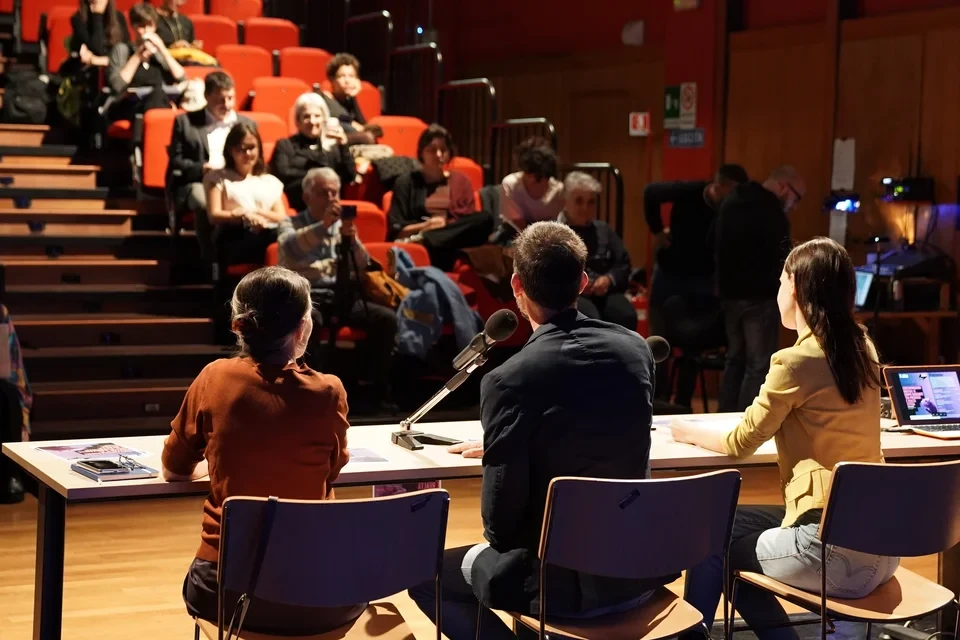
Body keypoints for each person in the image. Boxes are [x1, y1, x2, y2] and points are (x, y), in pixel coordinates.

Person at [409, 221, 673, 640]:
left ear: (516, 285)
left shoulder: (507, 379)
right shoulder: (636, 351)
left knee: (424, 572)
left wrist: (511, 446)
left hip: (556, 584)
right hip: (637, 570)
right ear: (583, 281)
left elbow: (500, 526)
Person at [670, 237, 898, 640]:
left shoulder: (794, 361)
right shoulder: (864, 346)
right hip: (883, 544)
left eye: (779, 283)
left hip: (830, 550)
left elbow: (741, 442)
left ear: (794, 287)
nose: (776, 294)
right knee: (720, 522)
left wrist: (685, 427)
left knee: (712, 543)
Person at [161, 266, 366, 635]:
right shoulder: (330, 391)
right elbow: (329, 472)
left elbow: (174, 467)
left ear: (238, 323)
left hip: (224, 592)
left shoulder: (215, 378)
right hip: (320, 598)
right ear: (303, 328)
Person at [278, 167, 397, 407]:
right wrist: (322, 226)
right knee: (309, 321)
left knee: (386, 319)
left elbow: (363, 265)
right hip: (308, 298)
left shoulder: (342, 227)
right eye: (324, 192)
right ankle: (309, 391)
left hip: (343, 296)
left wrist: (352, 242)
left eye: (335, 192)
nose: (332, 198)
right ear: (307, 197)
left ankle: (373, 387)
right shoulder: (290, 222)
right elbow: (290, 248)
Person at [644, 164, 748, 407]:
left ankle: (682, 402)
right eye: (732, 192)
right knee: (660, 339)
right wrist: (657, 231)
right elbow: (651, 192)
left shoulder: (730, 209)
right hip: (670, 273)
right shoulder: (691, 191)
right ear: (719, 187)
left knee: (693, 342)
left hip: (701, 280)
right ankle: (658, 400)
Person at [716, 165, 803, 412]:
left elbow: (711, 242)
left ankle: (723, 416)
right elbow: (782, 260)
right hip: (760, 298)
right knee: (758, 364)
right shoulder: (772, 211)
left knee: (734, 359)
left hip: (729, 296)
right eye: (797, 198)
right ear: (785, 188)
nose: (794, 206)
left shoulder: (731, 201)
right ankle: (748, 421)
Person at [167, 71, 254, 253]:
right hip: (200, 181)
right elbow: (176, 161)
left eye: (230, 98)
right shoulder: (185, 122)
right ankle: (210, 259)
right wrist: (202, 168)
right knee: (204, 203)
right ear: (207, 97)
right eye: (221, 99)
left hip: (238, 180)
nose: (227, 104)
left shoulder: (248, 124)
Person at [387, 125, 481, 268]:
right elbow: (397, 230)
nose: (438, 155)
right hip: (423, 241)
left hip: (452, 242)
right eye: (432, 150)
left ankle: (429, 239)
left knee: (484, 218)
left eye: (443, 150)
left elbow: (468, 222)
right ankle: (428, 239)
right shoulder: (405, 183)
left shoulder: (461, 181)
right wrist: (428, 226)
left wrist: (445, 227)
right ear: (421, 153)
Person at [559, 171, 636, 330]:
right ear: (565, 201)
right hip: (571, 296)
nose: (585, 208)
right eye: (579, 201)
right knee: (590, 319)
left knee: (625, 315)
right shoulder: (556, 232)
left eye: (591, 202)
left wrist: (608, 279)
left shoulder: (604, 230)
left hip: (605, 293)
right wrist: (577, 284)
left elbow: (623, 264)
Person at [204, 122, 286, 266]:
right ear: (230, 150)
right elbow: (214, 215)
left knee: (286, 234)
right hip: (234, 235)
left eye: (251, 148)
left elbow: (280, 216)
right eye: (241, 149)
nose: (247, 154)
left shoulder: (269, 180)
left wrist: (257, 213)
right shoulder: (217, 177)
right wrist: (244, 215)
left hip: (266, 232)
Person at [270, 92, 356, 211]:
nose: (312, 121)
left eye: (317, 116)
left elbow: (349, 176)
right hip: (299, 205)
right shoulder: (285, 145)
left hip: (331, 205)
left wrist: (343, 145)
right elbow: (282, 174)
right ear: (298, 121)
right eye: (306, 117)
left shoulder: (332, 146)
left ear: (324, 119)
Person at [105, 3, 185, 122]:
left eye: (150, 26)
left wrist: (162, 49)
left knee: (158, 95)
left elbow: (181, 77)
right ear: (133, 26)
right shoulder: (122, 50)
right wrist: (138, 55)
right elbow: (117, 86)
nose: (146, 31)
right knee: (157, 98)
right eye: (141, 26)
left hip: (158, 103)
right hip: (129, 106)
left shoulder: (158, 54)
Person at [497, 137, 564, 240]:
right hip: (518, 238)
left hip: (549, 239)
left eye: (539, 176)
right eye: (528, 173)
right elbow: (517, 226)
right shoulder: (511, 184)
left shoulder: (558, 190)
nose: (532, 179)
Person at [322, 52, 380, 143]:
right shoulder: (324, 98)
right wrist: (360, 127)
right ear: (332, 79)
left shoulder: (349, 101)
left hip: (349, 144)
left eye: (352, 76)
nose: (347, 80)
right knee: (367, 137)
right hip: (333, 143)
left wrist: (354, 97)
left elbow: (363, 124)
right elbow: (342, 117)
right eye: (341, 76)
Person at [71, 0, 129, 68]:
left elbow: (125, 53)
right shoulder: (79, 19)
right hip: (93, 72)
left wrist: (97, 60)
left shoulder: (119, 17)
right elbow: (97, 50)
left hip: (117, 71)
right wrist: (97, 15)